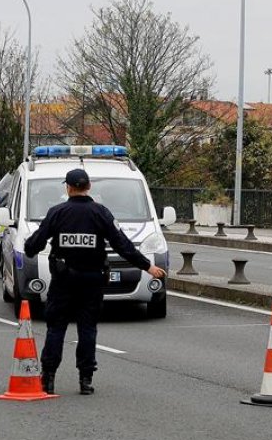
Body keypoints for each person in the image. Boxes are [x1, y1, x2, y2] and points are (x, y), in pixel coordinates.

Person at [25, 168, 166, 395]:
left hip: (63, 280)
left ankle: (48, 377)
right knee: (87, 328)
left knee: (56, 327)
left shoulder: (56, 212)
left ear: (68, 188)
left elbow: (35, 244)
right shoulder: (101, 213)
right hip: (92, 280)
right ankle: (86, 380)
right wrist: (147, 266)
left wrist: (30, 248)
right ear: (89, 187)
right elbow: (123, 245)